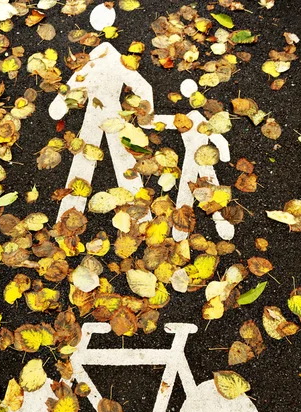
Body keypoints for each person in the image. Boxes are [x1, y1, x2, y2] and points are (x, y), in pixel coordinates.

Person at [49, 3, 154, 221]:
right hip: (106, 113)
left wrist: (60, 104)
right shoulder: (112, 60)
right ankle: (141, 217)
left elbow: (75, 84)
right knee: (121, 158)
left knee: (90, 160)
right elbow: (143, 86)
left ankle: (69, 217)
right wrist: (145, 111)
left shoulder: (99, 61)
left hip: (105, 113)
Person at [152, 78, 234, 241]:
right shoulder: (193, 120)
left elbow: (166, 121)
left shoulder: (188, 119)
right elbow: (219, 139)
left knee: (194, 186)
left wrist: (225, 154)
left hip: (201, 158)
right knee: (209, 187)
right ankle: (211, 221)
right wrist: (224, 155)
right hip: (199, 158)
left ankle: (188, 227)